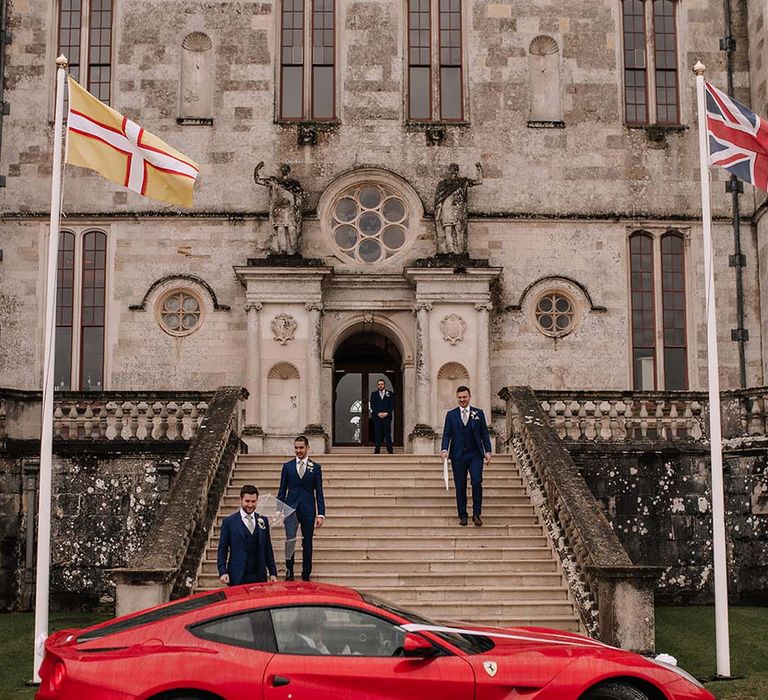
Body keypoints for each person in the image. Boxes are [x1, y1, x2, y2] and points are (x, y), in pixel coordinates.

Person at [440, 385, 492, 527]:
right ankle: (462, 515)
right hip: (458, 455)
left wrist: (488, 451)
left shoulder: (478, 413)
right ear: (457, 398)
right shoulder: (451, 415)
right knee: (460, 485)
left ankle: (476, 514)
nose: (462, 399)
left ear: (469, 397)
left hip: (475, 454)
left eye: (465, 397)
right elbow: (446, 434)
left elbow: (484, 434)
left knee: (476, 481)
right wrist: (444, 449)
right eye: (460, 397)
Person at [277, 435, 326, 581]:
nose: (298, 450)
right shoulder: (287, 467)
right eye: (296, 448)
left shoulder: (315, 468)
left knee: (307, 541)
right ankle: (289, 573)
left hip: (308, 509)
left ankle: (306, 574)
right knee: (290, 541)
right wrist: (279, 510)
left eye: (301, 448)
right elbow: (282, 490)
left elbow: (319, 492)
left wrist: (321, 514)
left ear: (307, 448)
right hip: (290, 509)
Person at [217, 484, 278, 585]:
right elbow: (222, 548)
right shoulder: (229, 522)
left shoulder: (263, 520)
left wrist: (272, 572)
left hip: (259, 575)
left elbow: (267, 547)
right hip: (237, 575)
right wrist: (222, 572)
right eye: (247, 501)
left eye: (253, 501)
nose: (250, 505)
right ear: (240, 499)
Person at [253, 161, 305, 255]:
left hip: (290, 207)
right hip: (279, 208)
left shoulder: (293, 183)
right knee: (280, 229)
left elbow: (299, 196)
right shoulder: (276, 181)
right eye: (283, 169)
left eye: (285, 169)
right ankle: (283, 250)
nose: (284, 171)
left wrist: (298, 207)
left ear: (288, 171)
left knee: (292, 229)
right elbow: (258, 180)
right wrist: (257, 169)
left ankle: (294, 250)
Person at [434, 162, 483, 256]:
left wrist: (479, 170)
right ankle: (450, 250)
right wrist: (438, 212)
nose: (455, 171)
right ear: (449, 170)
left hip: (458, 207)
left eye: (456, 169)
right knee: (448, 228)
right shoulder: (443, 184)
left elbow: (479, 181)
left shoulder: (462, 182)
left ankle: (460, 251)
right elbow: (438, 200)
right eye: (453, 169)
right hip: (447, 207)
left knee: (459, 228)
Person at [370, 378, 394, 454]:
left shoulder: (390, 394)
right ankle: (377, 450)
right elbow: (372, 406)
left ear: (384, 385)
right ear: (377, 385)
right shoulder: (374, 394)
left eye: (382, 384)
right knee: (377, 433)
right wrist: (378, 413)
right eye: (379, 384)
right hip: (377, 417)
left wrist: (387, 413)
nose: (380, 386)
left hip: (387, 417)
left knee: (387, 433)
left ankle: (390, 450)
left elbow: (392, 405)